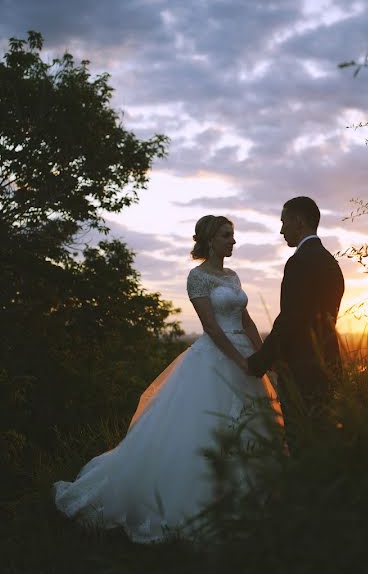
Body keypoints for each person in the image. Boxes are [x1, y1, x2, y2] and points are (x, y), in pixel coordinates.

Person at [53, 215, 281, 544]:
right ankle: (197, 507)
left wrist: (261, 358)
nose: (233, 241)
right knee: (202, 432)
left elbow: (245, 321)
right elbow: (212, 327)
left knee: (250, 428)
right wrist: (240, 361)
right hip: (217, 359)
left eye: (233, 235)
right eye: (227, 235)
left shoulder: (232, 276)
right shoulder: (197, 277)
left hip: (246, 358)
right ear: (210, 240)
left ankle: (246, 504)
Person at [247, 196, 345, 452]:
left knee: (302, 443)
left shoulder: (299, 262)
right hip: (329, 362)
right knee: (324, 442)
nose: (281, 230)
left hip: (303, 370)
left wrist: (260, 362)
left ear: (299, 222)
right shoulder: (330, 262)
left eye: (284, 222)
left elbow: (291, 319)